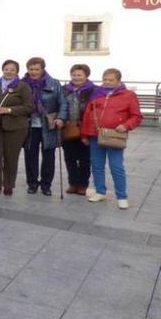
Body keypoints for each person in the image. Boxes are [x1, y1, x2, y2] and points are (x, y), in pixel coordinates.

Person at [82, 69, 142, 209]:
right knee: (97, 166)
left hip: (115, 135)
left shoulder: (129, 95)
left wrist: (126, 125)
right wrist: (84, 134)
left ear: (119, 80)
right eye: (105, 79)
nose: (107, 82)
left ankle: (122, 196)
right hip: (95, 135)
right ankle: (100, 191)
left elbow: (136, 116)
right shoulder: (96, 94)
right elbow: (88, 115)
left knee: (116, 167)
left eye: (110, 80)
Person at [0, 60, 34, 196]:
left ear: (17, 71)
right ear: (2, 70)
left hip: (16, 127)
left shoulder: (23, 87)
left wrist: (9, 110)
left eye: (12, 69)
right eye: (6, 69)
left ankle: (8, 185)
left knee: (11, 157)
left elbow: (29, 107)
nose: (9, 71)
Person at [22, 57, 68, 196]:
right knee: (30, 156)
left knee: (48, 156)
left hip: (49, 124)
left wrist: (61, 118)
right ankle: (32, 183)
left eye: (36, 69)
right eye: (31, 69)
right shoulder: (23, 84)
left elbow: (63, 103)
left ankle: (46, 185)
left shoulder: (53, 83)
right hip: (30, 125)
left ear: (42, 69)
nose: (34, 72)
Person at [62, 64, 95, 195]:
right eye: (74, 74)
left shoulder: (93, 90)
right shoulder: (64, 89)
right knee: (69, 158)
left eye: (79, 75)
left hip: (85, 128)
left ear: (86, 76)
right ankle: (72, 183)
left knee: (84, 159)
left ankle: (82, 184)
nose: (76, 77)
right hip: (68, 127)